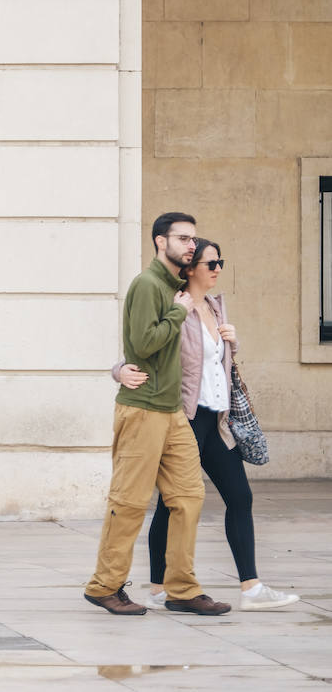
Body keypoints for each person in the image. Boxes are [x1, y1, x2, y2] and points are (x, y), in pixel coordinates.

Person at [113, 238, 299, 612]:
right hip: (183, 419)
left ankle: (251, 587)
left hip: (217, 421)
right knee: (172, 503)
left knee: (240, 497)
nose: (217, 270)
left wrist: (233, 344)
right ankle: (159, 585)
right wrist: (118, 371)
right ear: (191, 268)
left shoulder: (215, 306)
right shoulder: (173, 305)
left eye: (220, 263)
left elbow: (213, 365)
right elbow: (140, 349)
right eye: (211, 263)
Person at [84, 211, 230, 616]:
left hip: (172, 413)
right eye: (182, 238)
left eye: (192, 239)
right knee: (129, 501)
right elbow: (143, 344)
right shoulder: (148, 285)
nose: (190, 245)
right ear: (159, 242)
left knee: (188, 498)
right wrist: (177, 313)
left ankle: (181, 588)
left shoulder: (178, 287)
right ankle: (104, 585)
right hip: (143, 411)